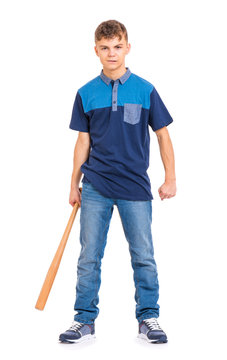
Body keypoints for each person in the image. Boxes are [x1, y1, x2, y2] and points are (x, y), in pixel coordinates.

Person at [59, 19, 176, 345]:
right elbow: (82, 143)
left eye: (117, 46)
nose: (112, 53)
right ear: (96, 50)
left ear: (127, 47)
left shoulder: (145, 89)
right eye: (105, 48)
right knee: (89, 256)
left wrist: (171, 177)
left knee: (143, 255)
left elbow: (163, 136)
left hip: (135, 187)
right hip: (95, 185)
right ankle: (84, 320)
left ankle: (149, 317)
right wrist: (73, 184)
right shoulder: (86, 93)